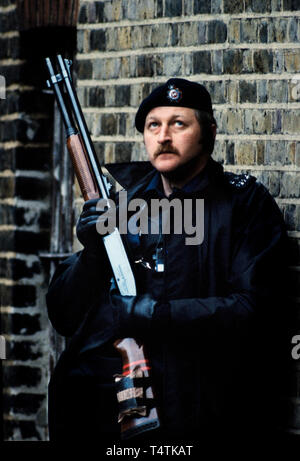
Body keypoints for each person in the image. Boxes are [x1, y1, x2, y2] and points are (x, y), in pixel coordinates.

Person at [46, 78, 289, 445]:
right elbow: (64, 314)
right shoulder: (126, 207)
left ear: (208, 132)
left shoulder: (244, 205)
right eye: (153, 125)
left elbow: (253, 311)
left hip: (203, 414)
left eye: (179, 123)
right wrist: (93, 253)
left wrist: (156, 315)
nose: (163, 136)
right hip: (118, 413)